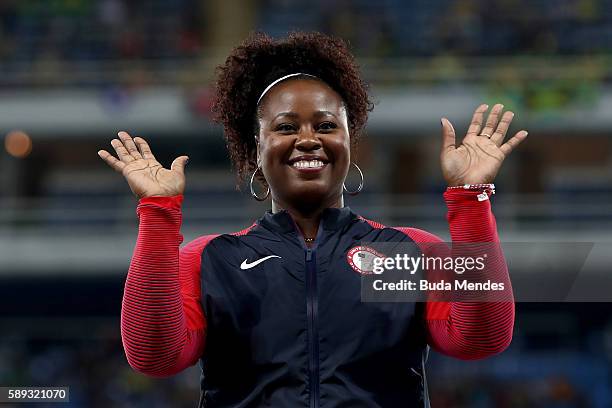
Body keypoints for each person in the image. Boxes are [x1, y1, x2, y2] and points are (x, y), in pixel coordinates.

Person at [97, 32, 527, 408]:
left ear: (348, 141)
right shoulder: (211, 260)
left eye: (325, 125)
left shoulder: (407, 253)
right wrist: (157, 214)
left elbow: (479, 340)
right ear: (257, 147)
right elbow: (155, 355)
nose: (307, 139)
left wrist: (471, 199)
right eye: (285, 127)